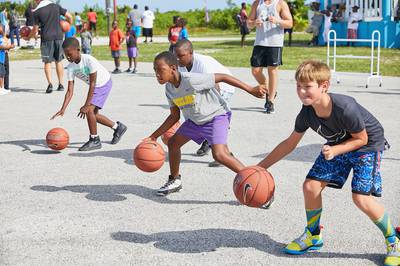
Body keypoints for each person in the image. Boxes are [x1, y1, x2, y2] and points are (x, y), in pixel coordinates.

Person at [257, 60, 399, 266]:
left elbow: (362, 139)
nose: (302, 91)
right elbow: (289, 143)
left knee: (361, 198)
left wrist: (336, 150)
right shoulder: (307, 113)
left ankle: (393, 240)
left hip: (367, 145)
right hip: (338, 144)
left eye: (308, 86)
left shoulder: (345, 108)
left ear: (324, 86)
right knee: (310, 186)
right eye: (298, 86)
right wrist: (260, 167)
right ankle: (313, 235)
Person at [145, 51, 267, 196]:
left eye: (160, 70)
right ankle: (175, 180)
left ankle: (255, 182)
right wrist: (153, 136)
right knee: (173, 144)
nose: (157, 74)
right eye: (155, 70)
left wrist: (251, 89)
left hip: (216, 116)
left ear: (173, 68)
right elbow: (174, 117)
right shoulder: (169, 89)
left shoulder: (191, 80)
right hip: (196, 121)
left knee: (219, 155)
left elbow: (223, 77)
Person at [51, 37, 128, 151]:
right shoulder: (71, 67)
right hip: (96, 86)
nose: (68, 57)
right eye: (66, 55)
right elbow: (70, 90)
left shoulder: (88, 60)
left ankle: (94, 140)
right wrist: (63, 109)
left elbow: (93, 83)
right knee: (93, 115)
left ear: (78, 50)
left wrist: (87, 105)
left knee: (89, 111)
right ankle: (118, 127)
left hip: (103, 83)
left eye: (70, 54)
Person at [175, 39, 236, 167]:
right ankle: (222, 150)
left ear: (190, 53)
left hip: (224, 87)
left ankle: (224, 154)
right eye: (176, 56)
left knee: (212, 118)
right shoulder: (182, 64)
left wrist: (221, 115)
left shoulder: (201, 64)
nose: (177, 59)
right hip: (207, 87)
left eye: (180, 56)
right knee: (206, 118)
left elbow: (216, 84)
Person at [247, 0, 293, 114]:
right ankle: (270, 90)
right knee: (255, 71)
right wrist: (254, 23)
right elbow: (248, 22)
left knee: (272, 72)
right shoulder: (257, 3)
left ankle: (270, 101)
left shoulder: (280, 3)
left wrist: (277, 21)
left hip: (275, 43)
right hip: (259, 42)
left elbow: (290, 23)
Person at [33, 0, 73, 93]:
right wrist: (69, 25)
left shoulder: (37, 11)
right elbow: (69, 16)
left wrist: (32, 36)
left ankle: (50, 84)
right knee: (58, 61)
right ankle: (61, 84)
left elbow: (35, 29)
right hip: (59, 37)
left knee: (47, 62)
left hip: (46, 38)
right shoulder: (56, 6)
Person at [0, 26, 13, 95]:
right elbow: (1, 46)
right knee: (1, 74)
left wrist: (8, 47)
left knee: (3, 73)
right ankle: (1, 88)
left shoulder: (3, 37)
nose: (2, 29)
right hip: (1, 58)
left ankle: (4, 87)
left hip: (3, 57)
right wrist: (8, 47)